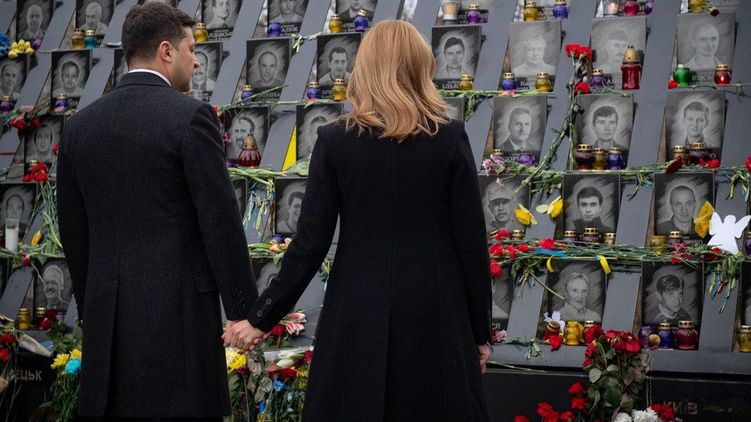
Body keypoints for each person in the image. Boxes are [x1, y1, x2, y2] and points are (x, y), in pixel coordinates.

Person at [222, 19, 492, 421]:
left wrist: (261, 318)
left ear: (365, 68)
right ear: (421, 67)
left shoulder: (336, 140)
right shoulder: (450, 137)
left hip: (357, 311)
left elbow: (310, 244)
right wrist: (479, 333)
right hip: (435, 313)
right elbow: (471, 243)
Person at [57, 4, 258, 418]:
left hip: (108, 330)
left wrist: (94, 308)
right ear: (166, 51)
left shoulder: (79, 127)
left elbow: (74, 233)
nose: (196, 60)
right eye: (191, 49)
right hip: (179, 326)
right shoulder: (191, 118)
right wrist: (245, 313)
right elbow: (219, 222)